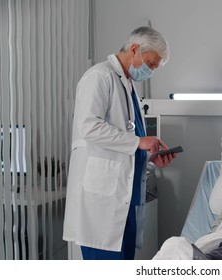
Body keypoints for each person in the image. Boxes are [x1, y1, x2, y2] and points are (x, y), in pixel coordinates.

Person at [63, 26, 176, 260]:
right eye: (151, 63)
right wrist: (138, 142)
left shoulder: (128, 85)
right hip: (102, 203)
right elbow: (89, 127)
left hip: (126, 200)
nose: (151, 70)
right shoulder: (99, 76)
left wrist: (150, 157)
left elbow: (126, 144)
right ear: (134, 49)